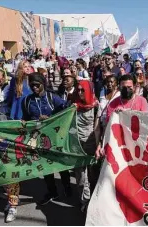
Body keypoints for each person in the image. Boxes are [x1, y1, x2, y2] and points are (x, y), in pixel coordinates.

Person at [21, 72, 71, 205]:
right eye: (32, 86)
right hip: (38, 139)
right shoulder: (27, 101)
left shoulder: (52, 97)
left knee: (60, 164)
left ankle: (67, 187)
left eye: (37, 85)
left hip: (55, 137)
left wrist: (51, 118)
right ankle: (52, 191)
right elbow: (25, 118)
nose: (34, 88)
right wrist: (25, 123)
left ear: (43, 84)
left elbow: (66, 109)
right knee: (45, 166)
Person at [73, 80, 97, 212]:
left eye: (83, 90)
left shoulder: (96, 106)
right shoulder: (73, 106)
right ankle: (85, 202)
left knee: (94, 175)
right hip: (77, 146)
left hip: (92, 146)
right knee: (81, 177)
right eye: (78, 90)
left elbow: (99, 126)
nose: (80, 92)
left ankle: (96, 201)